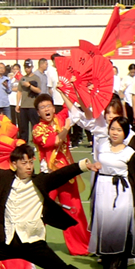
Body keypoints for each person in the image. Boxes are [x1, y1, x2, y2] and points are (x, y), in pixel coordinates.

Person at [86, 116, 135, 269]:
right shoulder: (103, 146)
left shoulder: (129, 153)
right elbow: (99, 165)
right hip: (102, 191)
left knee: (117, 233)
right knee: (105, 232)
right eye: (112, 129)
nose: (115, 133)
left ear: (125, 133)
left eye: (119, 130)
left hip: (121, 194)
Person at [28, 94, 92, 255]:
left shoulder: (60, 118)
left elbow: (69, 104)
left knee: (74, 209)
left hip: (67, 174)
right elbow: (54, 141)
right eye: (42, 107)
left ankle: (82, 247)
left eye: (49, 106)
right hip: (49, 176)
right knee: (41, 211)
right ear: (38, 112)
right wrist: (66, 128)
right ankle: (31, 244)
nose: (46, 109)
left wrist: (71, 88)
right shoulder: (37, 129)